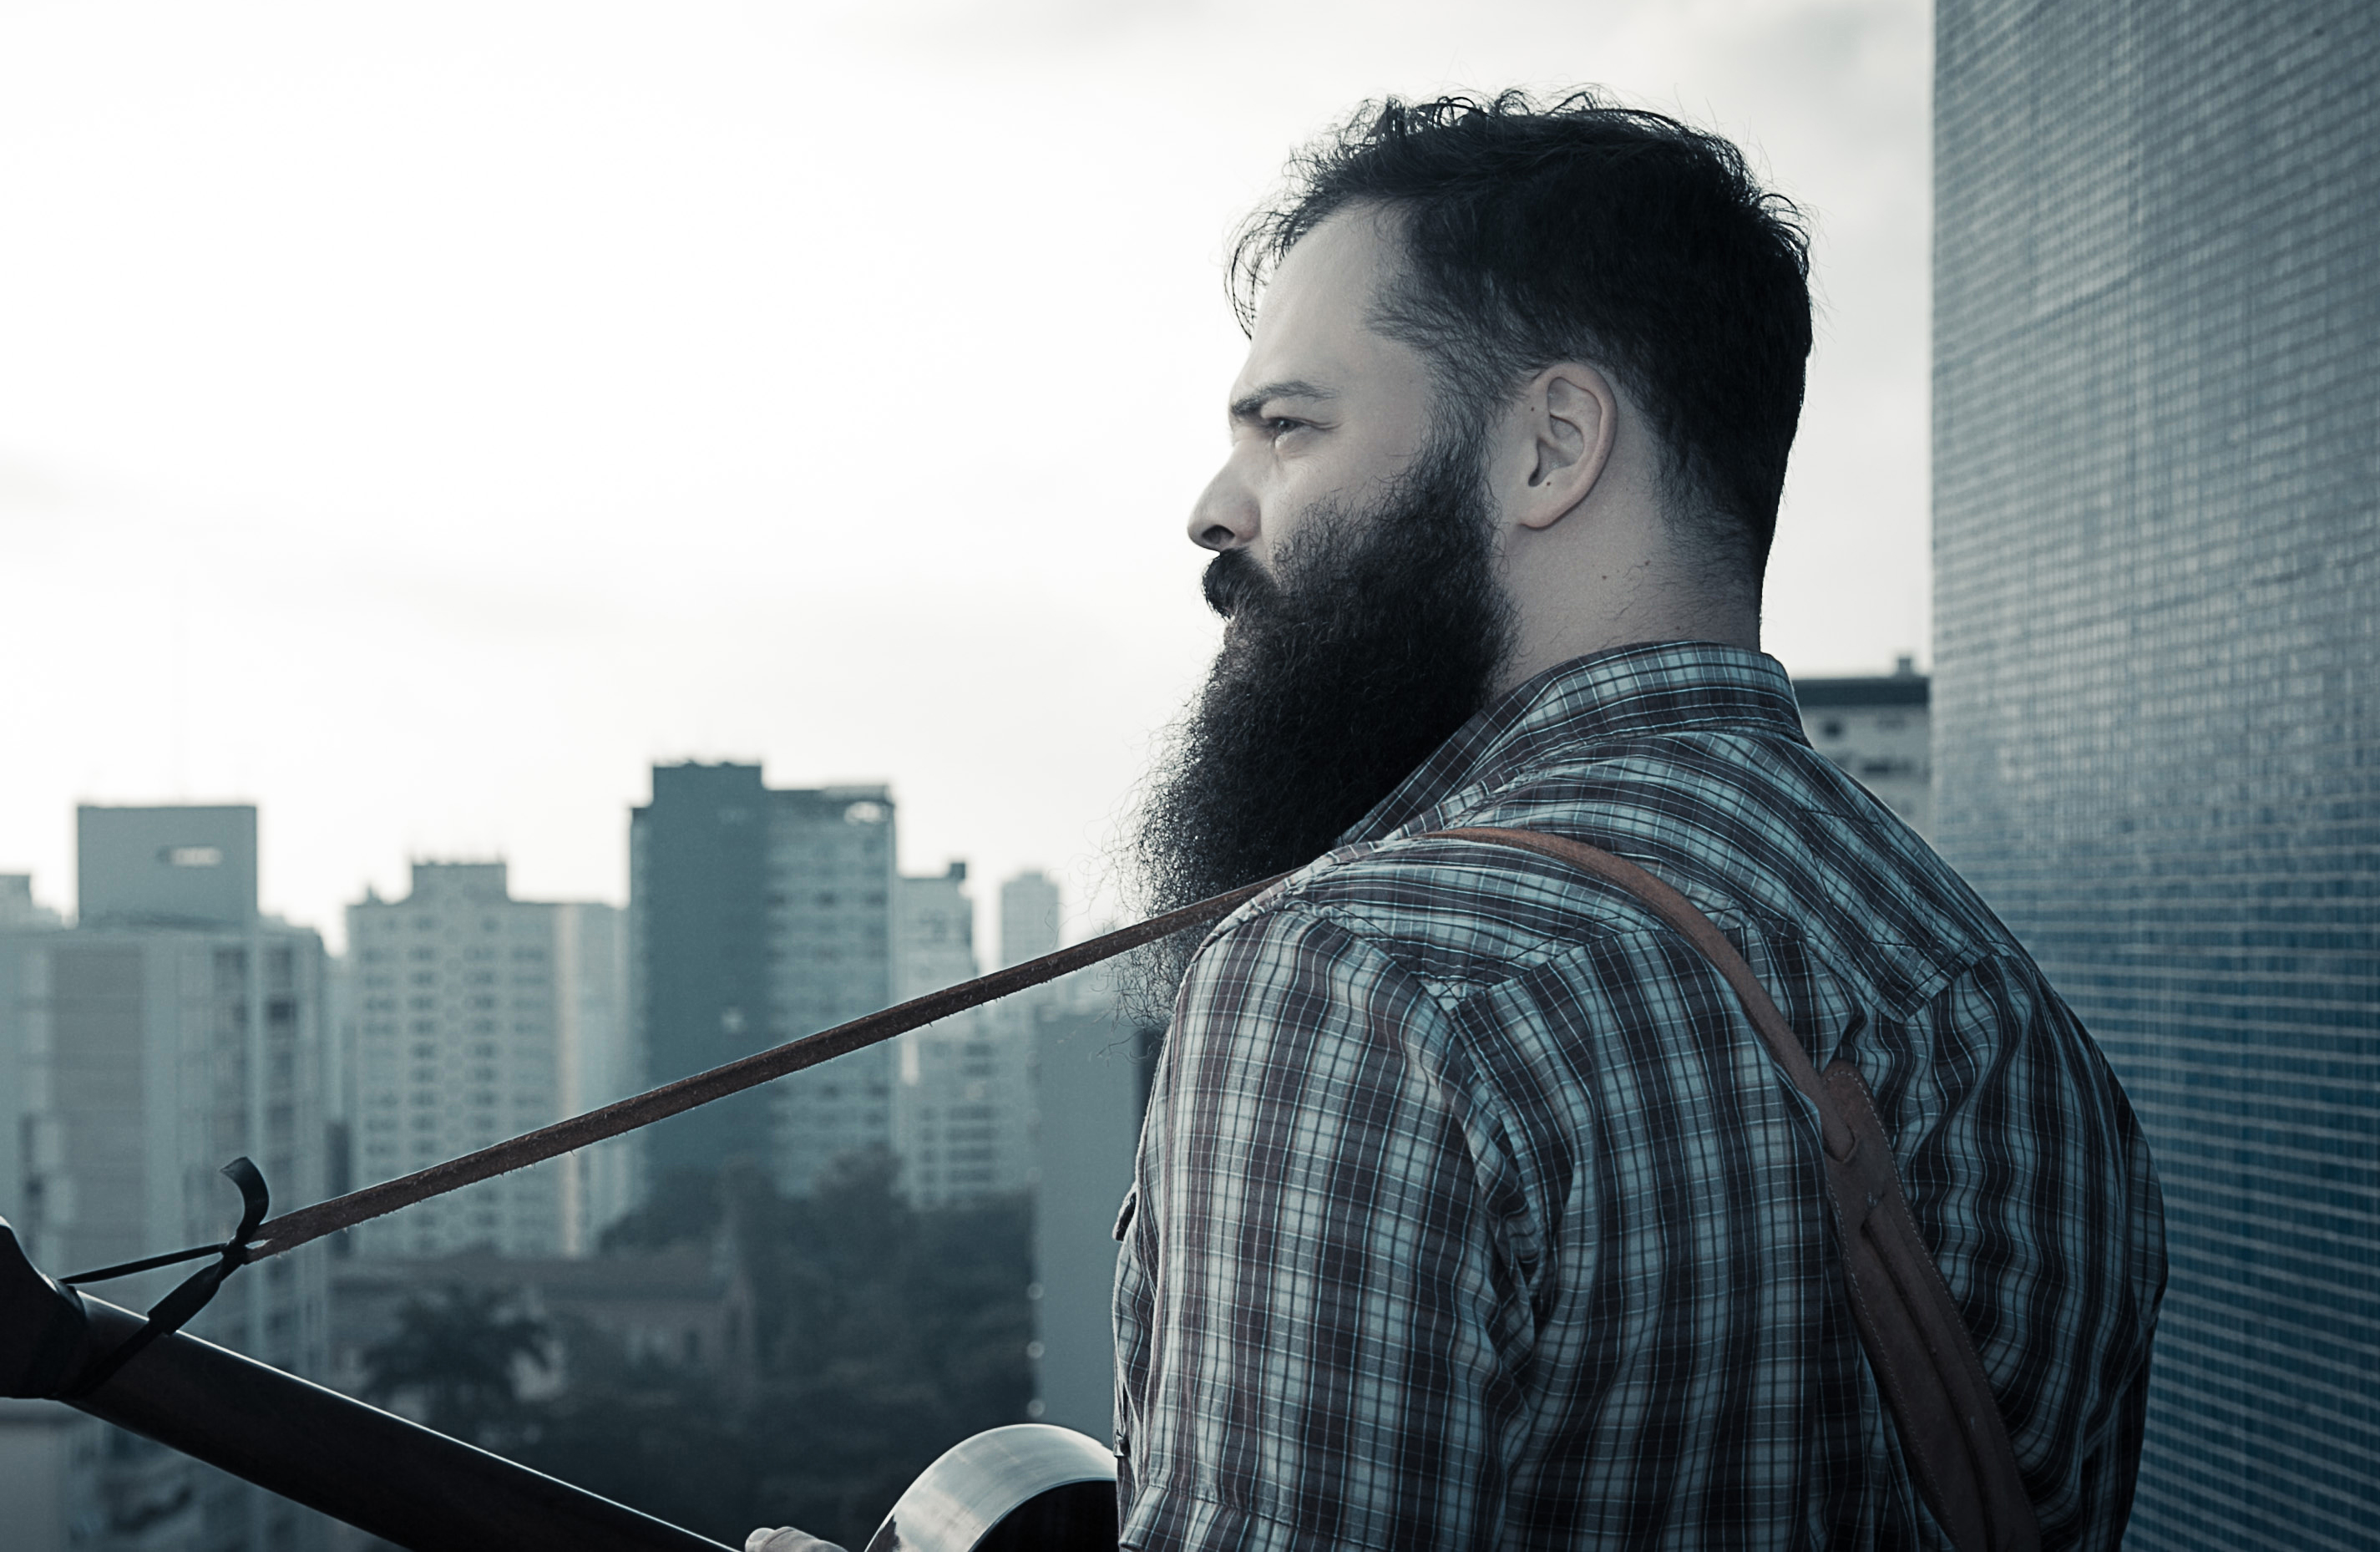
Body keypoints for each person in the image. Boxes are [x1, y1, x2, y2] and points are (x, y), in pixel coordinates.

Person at [753, 93, 2162, 1550]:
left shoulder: (1353, 983)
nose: (1214, 507)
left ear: (1549, 448)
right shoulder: (2003, 1012)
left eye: (1288, 428)